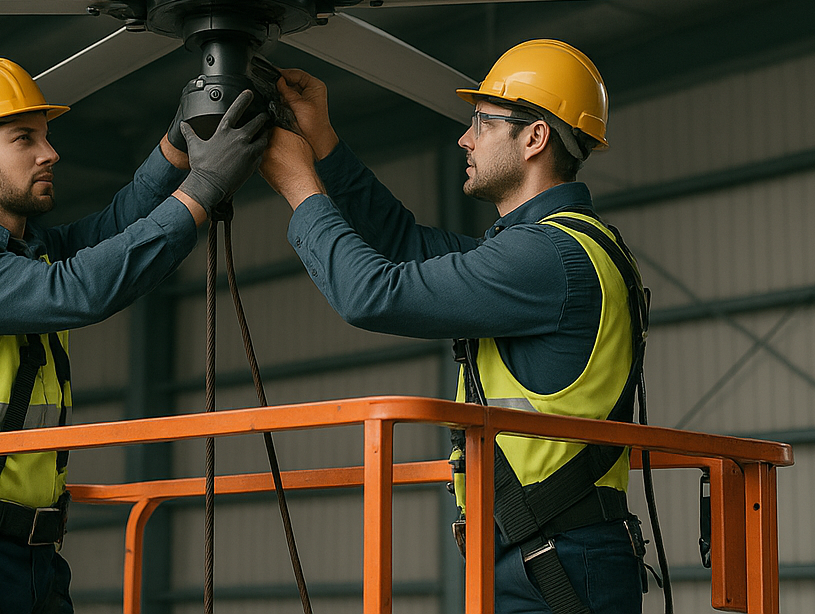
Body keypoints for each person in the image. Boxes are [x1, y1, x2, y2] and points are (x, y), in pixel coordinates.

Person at [258, 40, 649, 614]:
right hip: (548, 552)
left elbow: (372, 295)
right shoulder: (557, 250)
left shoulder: (547, 260)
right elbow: (406, 246)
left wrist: (299, 188)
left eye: (482, 123)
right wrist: (322, 145)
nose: (465, 139)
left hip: (556, 561)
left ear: (534, 137)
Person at [0, 57, 268, 614]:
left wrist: (176, 148)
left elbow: (112, 232)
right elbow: (81, 289)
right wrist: (203, 187)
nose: (50, 152)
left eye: (46, 136)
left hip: (31, 556)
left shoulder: (22, 253)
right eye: (24, 138)